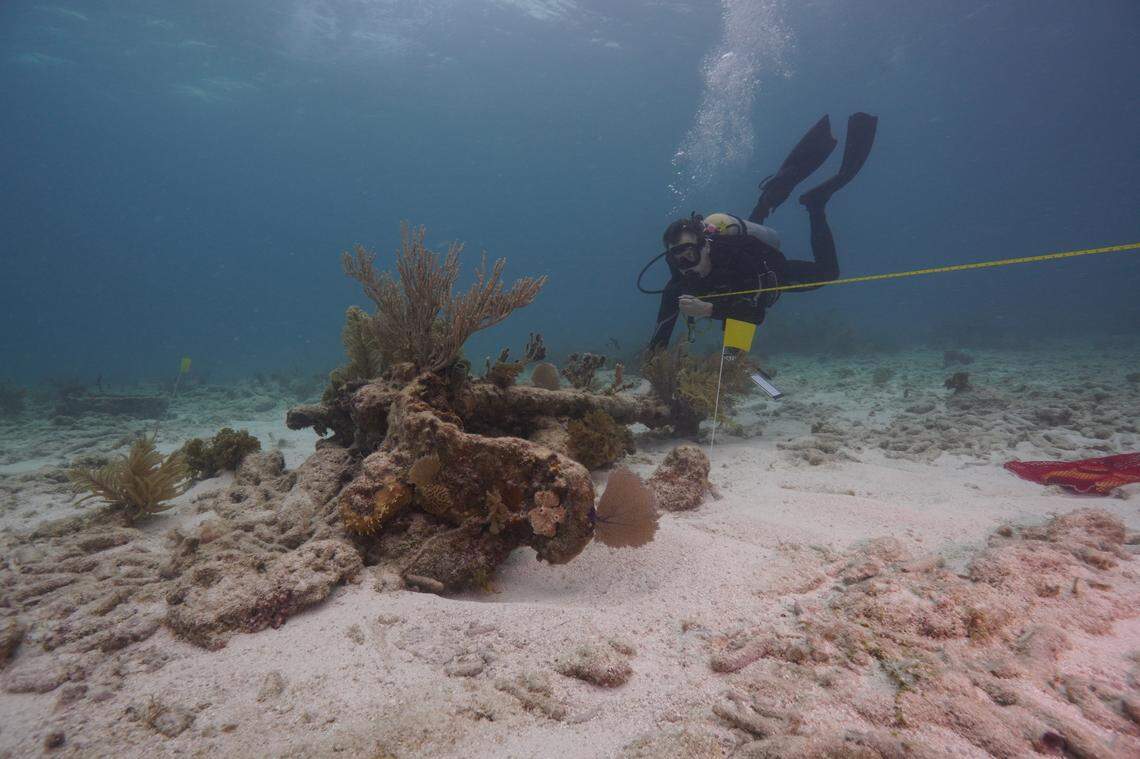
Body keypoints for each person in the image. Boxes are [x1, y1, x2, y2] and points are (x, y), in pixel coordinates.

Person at [645, 113, 878, 351]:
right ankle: (768, 199)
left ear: (705, 246)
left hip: (771, 271)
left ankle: (815, 205)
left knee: (828, 272)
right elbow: (662, 330)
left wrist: (709, 311)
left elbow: (752, 314)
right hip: (743, 262)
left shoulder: (734, 259)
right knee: (746, 240)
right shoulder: (680, 280)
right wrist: (651, 374)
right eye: (678, 257)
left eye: (690, 254)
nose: (686, 264)